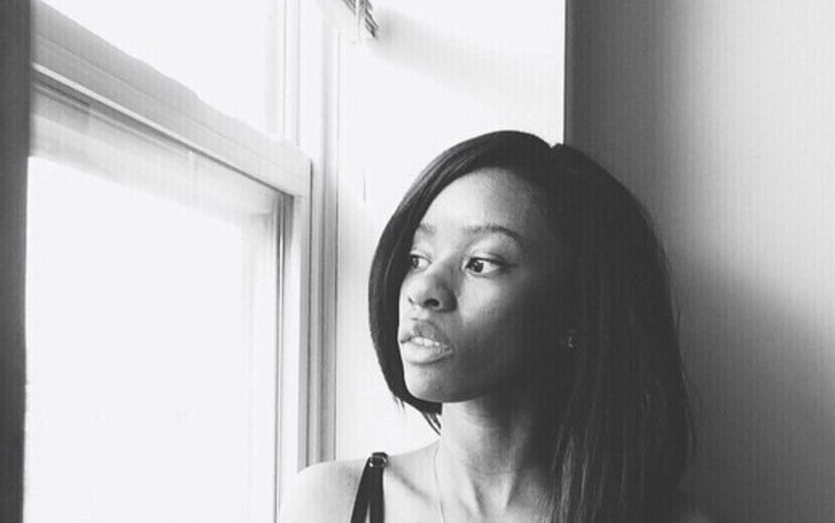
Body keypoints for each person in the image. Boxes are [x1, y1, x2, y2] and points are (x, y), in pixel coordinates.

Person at [279, 131, 710, 522]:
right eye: (417, 258)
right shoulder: (330, 504)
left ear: (575, 309)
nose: (424, 289)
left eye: (481, 263)